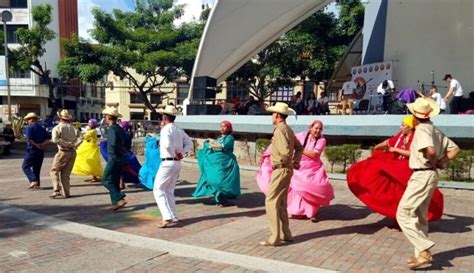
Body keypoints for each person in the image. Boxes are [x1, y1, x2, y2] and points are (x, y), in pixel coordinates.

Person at [396, 98, 460, 269]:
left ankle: (424, 250)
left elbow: (430, 151)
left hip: (422, 175)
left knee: (403, 213)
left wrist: (433, 161)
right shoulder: (435, 130)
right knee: (420, 216)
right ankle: (420, 257)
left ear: (415, 115)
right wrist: (441, 162)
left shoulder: (422, 129)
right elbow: (455, 149)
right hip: (429, 175)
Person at [347, 116, 444, 225]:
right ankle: (398, 218)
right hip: (396, 169)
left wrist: (396, 150)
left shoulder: (417, 138)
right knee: (393, 193)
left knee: (407, 196)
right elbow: (389, 142)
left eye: (403, 125)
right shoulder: (401, 136)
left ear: (410, 127)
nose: (400, 127)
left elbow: (415, 154)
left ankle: (408, 221)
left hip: (408, 170)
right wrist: (378, 146)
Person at [257, 120, 334, 222]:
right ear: (310, 128)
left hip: (312, 168)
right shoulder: (301, 135)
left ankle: (312, 213)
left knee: (313, 188)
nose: (318, 131)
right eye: (316, 128)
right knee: (297, 190)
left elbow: (315, 155)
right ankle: (299, 212)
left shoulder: (322, 140)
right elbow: (288, 140)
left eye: (320, 129)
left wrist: (299, 148)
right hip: (298, 165)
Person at [259, 102, 303, 246]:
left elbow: (285, 152)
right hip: (286, 169)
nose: (272, 116)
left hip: (281, 168)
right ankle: (286, 234)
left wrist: (288, 161)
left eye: (273, 114)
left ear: (277, 115)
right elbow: (299, 147)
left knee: (271, 201)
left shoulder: (279, 130)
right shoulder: (288, 129)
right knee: (282, 203)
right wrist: (295, 161)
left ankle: (275, 238)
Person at [154, 105, 193, 228]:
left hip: (168, 161)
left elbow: (166, 145)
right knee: (169, 190)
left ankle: (167, 216)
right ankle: (173, 215)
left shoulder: (166, 129)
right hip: (176, 162)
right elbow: (189, 142)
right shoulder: (178, 129)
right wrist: (182, 153)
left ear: (165, 117)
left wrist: (173, 153)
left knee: (158, 189)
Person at [193, 120, 241, 206]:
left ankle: (223, 199)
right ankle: (218, 199)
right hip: (217, 163)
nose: (222, 128)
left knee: (222, 181)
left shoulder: (229, 138)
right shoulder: (220, 138)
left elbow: (223, 146)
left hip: (226, 163)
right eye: (221, 126)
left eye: (224, 126)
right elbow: (216, 144)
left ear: (229, 128)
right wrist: (210, 142)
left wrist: (212, 145)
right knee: (214, 178)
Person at [49, 110, 81, 198]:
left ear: (60, 118)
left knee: (54, 170)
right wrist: (74, 144)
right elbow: (80, 138)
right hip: (73, 152)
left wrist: (67, 144)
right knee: (66, 174)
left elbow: (55, 139)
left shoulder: (57, 128)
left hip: (63, 151)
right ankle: (67, 192)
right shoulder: (74, 128)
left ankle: (56, 189)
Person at [101, 107, 128, 211]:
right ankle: (116, 202)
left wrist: (113, 154)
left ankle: (119, 197)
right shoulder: (120, 128)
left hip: (114, 157)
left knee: (105, 180)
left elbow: (112, 144)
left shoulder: (112, 129)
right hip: (121, 157)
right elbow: (126, 141)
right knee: (115, 180)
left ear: (108, 117)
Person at [22, 112, 50, 189]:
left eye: (28, 120)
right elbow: (48, 139)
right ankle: (37, 184)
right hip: (40, 151)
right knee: (36, 169)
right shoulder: (42, 128)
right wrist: (42, 144)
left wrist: (36, 145)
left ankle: (33, 180)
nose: (27, 122)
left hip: (32, 150)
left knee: (25, 166)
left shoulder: (30, 128)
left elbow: (29, 139)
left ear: (31, 120)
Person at [118, 121, 142, 189]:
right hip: (128, 153)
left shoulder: (124, 135)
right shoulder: (129, 134)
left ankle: (121, 183)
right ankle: (121, 183)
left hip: (124, 153)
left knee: (121, 169)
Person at [138, 126, 161, 190]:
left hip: (154, 155)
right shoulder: (149, 137)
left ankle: (153, 184)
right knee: (149, 169)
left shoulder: (156, 136)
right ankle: (151, 183)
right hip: (151, 155)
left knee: (153, 169)